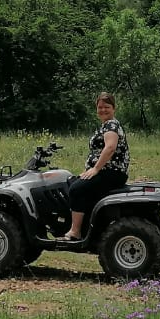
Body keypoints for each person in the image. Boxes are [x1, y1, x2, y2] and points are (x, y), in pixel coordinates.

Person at [62, 91, 129, 241]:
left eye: (107, 107)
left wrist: (96, 169)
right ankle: (89, 227)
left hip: (110, 172)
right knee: (72, 182)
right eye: (100, 107)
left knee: (76, 189)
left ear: (114, 108)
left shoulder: (111, 125)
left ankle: (75, 231)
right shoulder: (105, 125)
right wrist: (88, 170)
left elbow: (110, 148)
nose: (103, 110)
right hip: (107, 171)